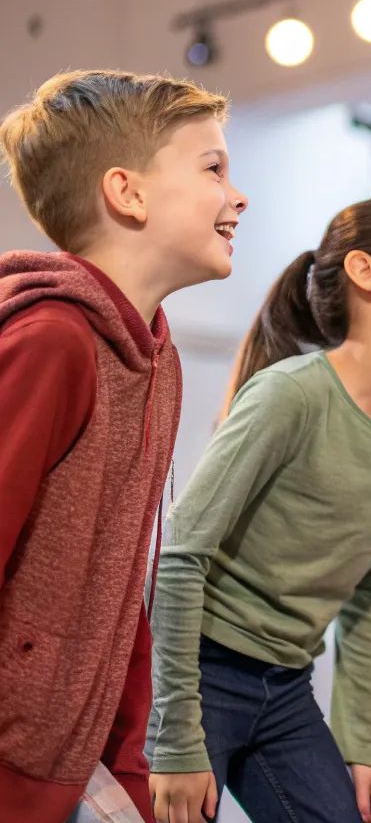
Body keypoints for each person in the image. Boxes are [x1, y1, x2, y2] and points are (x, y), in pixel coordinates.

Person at [146, 195, 371, 823]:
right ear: (368, 271)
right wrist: (175, 738)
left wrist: (366, 749)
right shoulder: (292, 394)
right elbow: (178, 557)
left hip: (287, 686)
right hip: (200, 672)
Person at [0, 70, 247, 823]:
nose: (237, 197)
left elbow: (121, 584)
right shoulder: (51, 341)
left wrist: (135, 760)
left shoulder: (154, 361)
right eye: (213, 169)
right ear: (127, 193)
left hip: (76, 761)